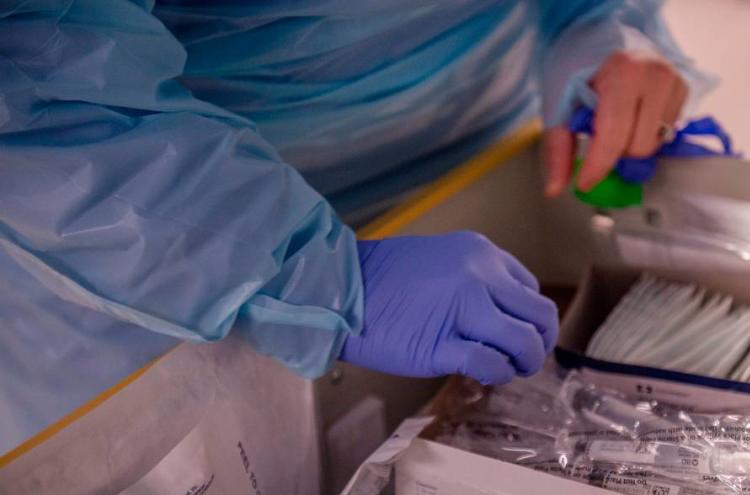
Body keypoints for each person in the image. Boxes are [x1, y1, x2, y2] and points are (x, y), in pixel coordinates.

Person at [0, 1, 711, 453]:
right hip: (166, 262)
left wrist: (595, 22)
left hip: (469, 189)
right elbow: (37, 92)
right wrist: (308, 270)